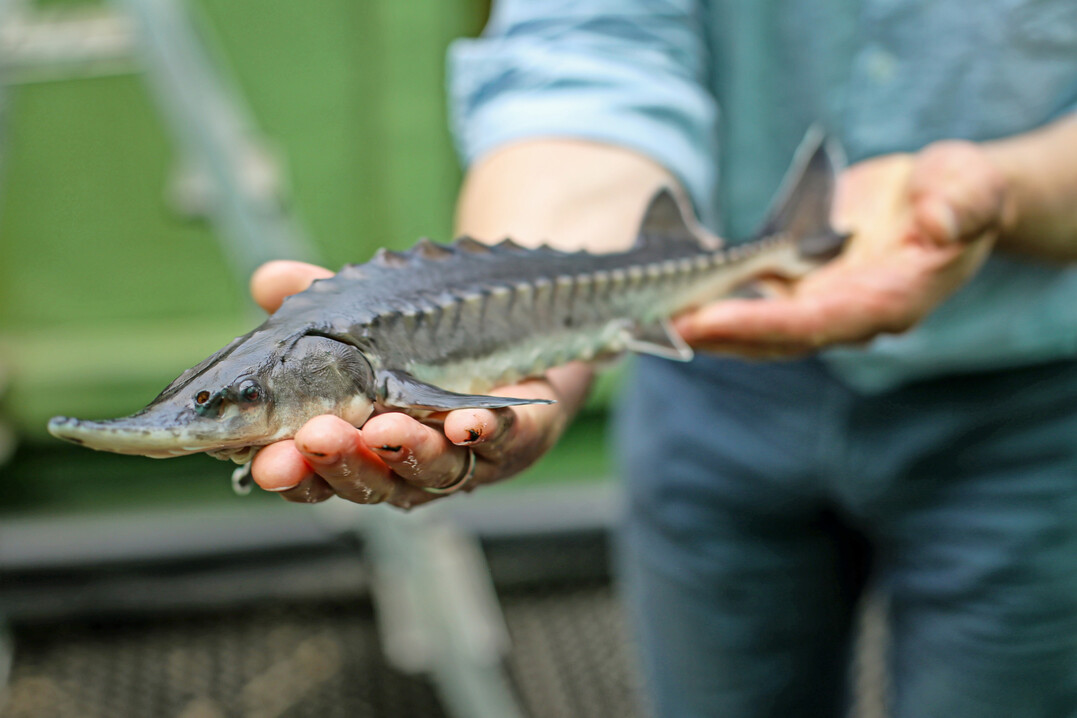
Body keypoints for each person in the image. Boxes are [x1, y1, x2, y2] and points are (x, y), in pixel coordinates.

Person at [250, 2, 1077, 716]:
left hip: (1039, 414)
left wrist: (1007, 191)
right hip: (709, 376)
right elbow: (590, 48)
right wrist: (532, 340)